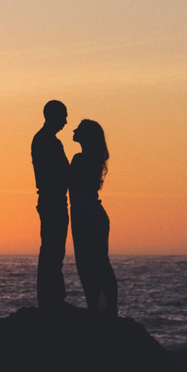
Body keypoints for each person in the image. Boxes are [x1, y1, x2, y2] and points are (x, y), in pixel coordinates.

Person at [69, 118, 118, 317]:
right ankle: (105, 309)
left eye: (79, 129)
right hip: (92, 214)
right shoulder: (90, 159)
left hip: (85, 215)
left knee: (89, 264)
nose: (74, 131)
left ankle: (99, 310)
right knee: (98, 263)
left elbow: (68, 182)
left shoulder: (80, 159)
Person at [31, 99, 70, 307]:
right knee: (52, 250)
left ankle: (51, 296)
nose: (66, 121)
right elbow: (61, 173)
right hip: (52, 201)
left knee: (53, 250)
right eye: (63, 115)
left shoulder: (45, 140)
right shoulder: (47, 141)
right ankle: (51, 298)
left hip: (52, 200)